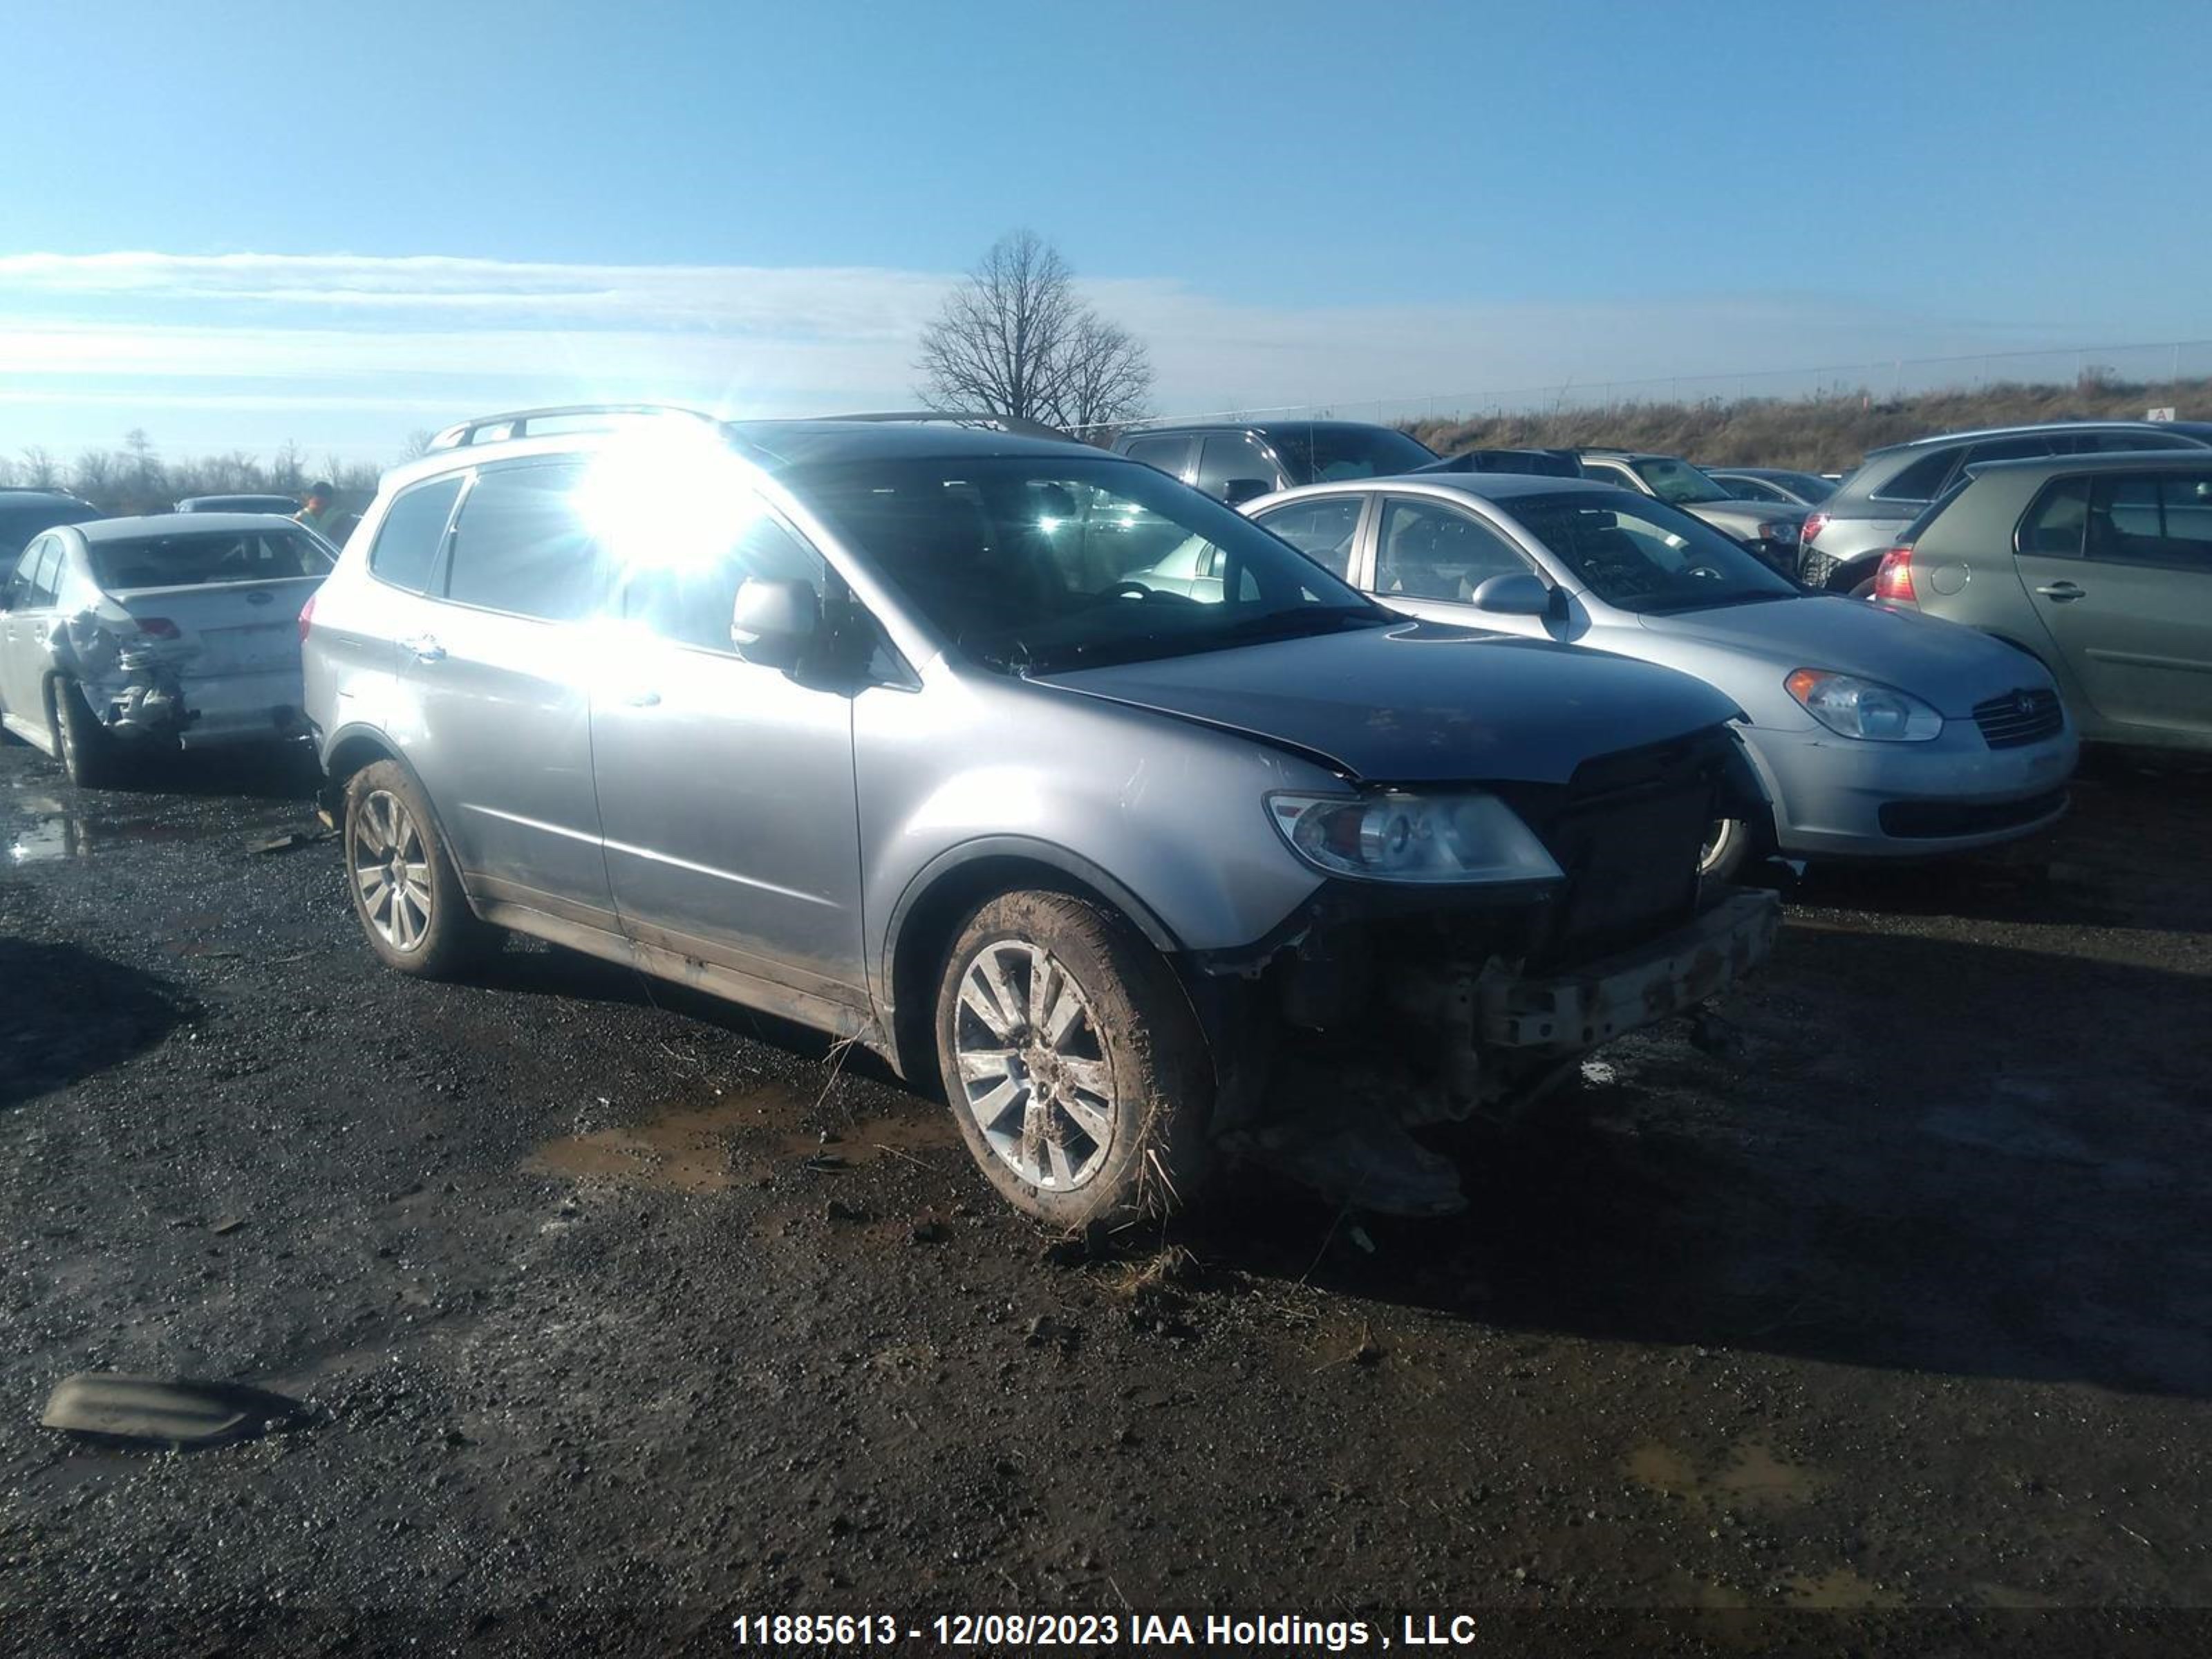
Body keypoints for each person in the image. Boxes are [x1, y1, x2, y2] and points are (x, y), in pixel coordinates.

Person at [294, 481, 356, 545]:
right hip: (335, 554)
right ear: (331, 498)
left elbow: (292, 544)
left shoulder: (300, 517)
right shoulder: (343, 517)